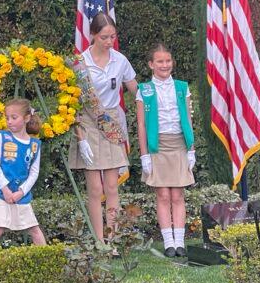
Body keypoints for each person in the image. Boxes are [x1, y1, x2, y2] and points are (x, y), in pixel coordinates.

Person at [68, 13, 138, 244]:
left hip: (111, 124)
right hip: (87, 124)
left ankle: (113, 238)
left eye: (113, 37)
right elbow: (72, 103)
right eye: (104, 37)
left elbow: (135, 91)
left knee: (111, 186)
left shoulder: (120, 60)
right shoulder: (79, 63)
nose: (109, 42)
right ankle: (99, 240)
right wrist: (80, 138)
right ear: (93, 36)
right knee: (95, 188)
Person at [135, 43, 196, 258]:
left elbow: (188, 119)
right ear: (151, 64)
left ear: (172, 63)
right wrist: (145, 155)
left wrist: (191, 149)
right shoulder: (144, 90)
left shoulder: (181, 87)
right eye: (159, 61)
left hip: (179, 143)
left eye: (168, 61)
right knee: (162, 194)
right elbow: (141, 125)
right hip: (157, 146)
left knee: (178, 194)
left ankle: (180, 242)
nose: (164, 65)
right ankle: (168, 242)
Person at [0, 98, 46, 249]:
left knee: (34, 229)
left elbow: (34, 172)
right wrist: (5, 189)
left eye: (14, 117)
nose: (9, 122)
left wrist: (21, 191)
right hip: (0, 191)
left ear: (26, 118)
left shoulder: (34, 145)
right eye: (7, 118)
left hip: (19, 194)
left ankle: (49, 260)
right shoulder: (2, 137)